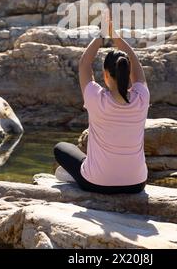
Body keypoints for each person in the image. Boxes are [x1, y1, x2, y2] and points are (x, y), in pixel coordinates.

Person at [53, 16, 150, 194]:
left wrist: (102, 35)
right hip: (137, 184)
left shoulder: (96, 98)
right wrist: (116, 37)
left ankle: (76, 175)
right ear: (128, 74)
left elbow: (84, 64)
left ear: (105, 75)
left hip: (98, 184)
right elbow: (136, 64)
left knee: (61, 148)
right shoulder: (142, 98)